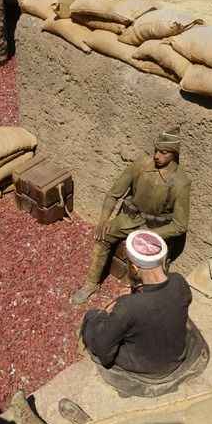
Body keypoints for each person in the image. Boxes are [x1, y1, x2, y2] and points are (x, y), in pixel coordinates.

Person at [77, 230, 209, 399]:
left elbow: (105, 352)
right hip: (176, 357)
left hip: (150, 369)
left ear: (134, 267)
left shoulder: (128, 306)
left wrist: (104, 316)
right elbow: (158, 306)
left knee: (92, 320)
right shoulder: (179, 282)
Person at [71, 126, 191, 305]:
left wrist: (153, 236)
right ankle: (91, 283)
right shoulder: (141, 165)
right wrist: (104, 220)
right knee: (103, 236)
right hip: (130, 218)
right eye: (156, 150)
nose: (157, 156)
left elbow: (180, 225)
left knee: (157, 266)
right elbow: (114, 193)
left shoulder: (180, 183)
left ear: (174, 154)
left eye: (164, 152)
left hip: (156, 229)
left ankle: (146, 300)